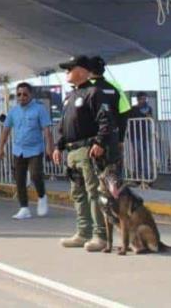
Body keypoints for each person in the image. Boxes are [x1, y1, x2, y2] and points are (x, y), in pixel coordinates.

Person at [52, 56, 117, 252]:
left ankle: (100, 235)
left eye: (69, 69)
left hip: (87, 150)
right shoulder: (70, 96)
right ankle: (83, 233)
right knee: (78, 194)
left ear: (81, 70)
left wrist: (99, 142)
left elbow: (106, 120)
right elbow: (64, 125)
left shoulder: (94, 92)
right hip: (72, 152)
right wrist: (58, 146)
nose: (66, 73)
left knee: (94, 192)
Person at [0, 83, 53, 220]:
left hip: (35, 149)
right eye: (19, 94)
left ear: (31, 95)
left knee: (35, 175)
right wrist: (0, 148)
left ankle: (42, 196)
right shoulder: (13, 111)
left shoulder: (39, 109)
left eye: (25, 94)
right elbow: (6, 130)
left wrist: (49, 147)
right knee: (19, 179)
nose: (21, 97)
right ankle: (24, 208)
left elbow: (46, 130)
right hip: (18, 150)